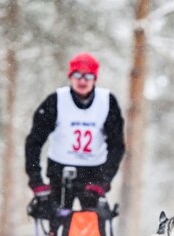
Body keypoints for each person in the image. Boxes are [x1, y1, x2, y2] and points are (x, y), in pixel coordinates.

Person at [25, 52, 125, 218]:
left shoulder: (107, 102)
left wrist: (103, 181)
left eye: (88, 76)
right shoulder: (55, 100)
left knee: (92, 227)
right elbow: (34, 142)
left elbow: (117, 145)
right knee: (58, 226)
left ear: (95, 78)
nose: (82, 80)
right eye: (77, 75)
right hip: (59, 172)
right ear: (70, 76)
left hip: (94, 173)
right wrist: (36, 181)